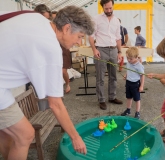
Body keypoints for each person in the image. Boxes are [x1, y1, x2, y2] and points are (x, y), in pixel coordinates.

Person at [0, 6, 94, 159]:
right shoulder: (50, 48)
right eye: (79, 36)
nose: (79, 42)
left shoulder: (38, 18)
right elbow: (55, 104)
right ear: (67, 28)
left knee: (7, 133)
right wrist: (75, 137)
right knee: (26, 135)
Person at [89, 0, 123, 110]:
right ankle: (101, 100)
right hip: (101, 50)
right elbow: (91, 36)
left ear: (113, 6)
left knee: (113, 76)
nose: (108, 10)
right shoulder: (96, 19)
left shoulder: (117, 21)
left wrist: (120, 51)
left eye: (110, 8)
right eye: (106, 8)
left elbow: (118, 38)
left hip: (113, 50)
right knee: (100, 77)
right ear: (102, 7)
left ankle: (112, 97)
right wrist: (94, 50)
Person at [121, 47, 145, 119]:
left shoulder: (139, 66)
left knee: (137, 99)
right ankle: (128, 110)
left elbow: (142, 76)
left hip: (135, 84)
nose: (128, 60)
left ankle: (137, 112)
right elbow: (128, 70)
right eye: (127, 58)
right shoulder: (129, 63)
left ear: (136, 57)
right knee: (128, 97)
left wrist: (141, 86)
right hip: (128, 82)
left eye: (131, 58)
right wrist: (126, 75)